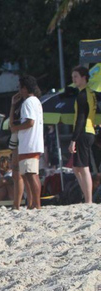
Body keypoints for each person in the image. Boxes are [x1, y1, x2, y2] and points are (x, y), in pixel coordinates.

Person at [9, 75, 44, 210]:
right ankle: (35, 203)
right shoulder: (35, 101)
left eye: (20, 87)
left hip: (29, 143)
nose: (19, 90)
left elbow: (30, 122)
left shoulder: (29, 102)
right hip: (31, 143)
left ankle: (37, 204)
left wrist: (16, 128)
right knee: (29, 174)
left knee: (31, 174)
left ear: (24, 88)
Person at [69, 66, 97, 204]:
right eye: (73, 76)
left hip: (84, 131)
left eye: (76, 76)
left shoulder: (82, 95)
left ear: (84, 77)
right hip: (88, 131)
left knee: (84, 167)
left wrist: (73, 139)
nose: (73, 79)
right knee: (76, 167)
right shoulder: (91, 93)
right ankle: (86, 197)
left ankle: (88, 200)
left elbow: (81, 118)